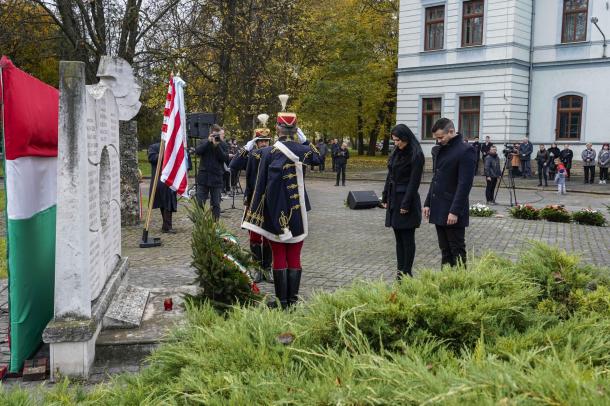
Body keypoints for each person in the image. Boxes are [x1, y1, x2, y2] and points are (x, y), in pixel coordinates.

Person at [242, 108, 321, 309]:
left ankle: (282, 301)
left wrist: (254, 213)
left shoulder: (266, 152)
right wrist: (304, 140)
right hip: (297, 213)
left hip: (274, 212)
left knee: (278, 256)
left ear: (277, 128)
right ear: (295, 129)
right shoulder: (302, 151)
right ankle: (292, 303)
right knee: (294, 255)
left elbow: (260, 186)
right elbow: (318, 159)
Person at [423, 118, 476, 269]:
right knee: (445, 250)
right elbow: (436, 178)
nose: (438, 141)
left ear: (451, 132)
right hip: (438, 206)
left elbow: (464, 184)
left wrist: (454, 211)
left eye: (441, 137)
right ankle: (445, 282)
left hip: (453, 210)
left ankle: (460, 286)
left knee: (457, 251)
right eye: (436, 138)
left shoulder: (466, 150)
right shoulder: (440, 149)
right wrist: (427, 203)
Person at [229, 124, 273, 283]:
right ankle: (258, 269)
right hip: (253, 199)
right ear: (256, 142)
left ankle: (267, 269)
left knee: (269, 235)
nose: (263, 144)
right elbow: (233, 165)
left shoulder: (274, 154)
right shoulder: (249, 155)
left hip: (269, 200)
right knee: (254, 236)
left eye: (266, 141)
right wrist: (246, 148)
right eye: (260, 141)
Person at [381, 124, 424, 279]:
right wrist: (385, 196)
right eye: (394, 140)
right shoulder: (396, 152)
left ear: (406, 137)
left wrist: (406, 204)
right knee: (398, 238)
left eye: (398, 140)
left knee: (407, 238)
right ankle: (400, 273)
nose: (396, 143)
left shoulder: (416, 154)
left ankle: (407, 272)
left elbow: (414, 182)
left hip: (407, 200)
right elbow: (390, 175)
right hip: (394, 198)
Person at [195, 124, 229, 221]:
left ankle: (215, 224)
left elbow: (224, 158)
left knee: (216, 203)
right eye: (214, 135)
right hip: (203, 177)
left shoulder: (223, 144)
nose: (216, 137)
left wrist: (216, 146)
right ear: (210, 134)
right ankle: (199, 224)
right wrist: (208, 143)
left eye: (217, 135)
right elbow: (198, 152)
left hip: (216, 178)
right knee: (200, 202)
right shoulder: (203, 142)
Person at [147, 142, 178, 233]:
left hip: (171, 179)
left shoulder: (173, 146)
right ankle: (167, 226)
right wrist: (166, 154)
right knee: (164, 203)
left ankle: (167, 226)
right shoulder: (154, 146)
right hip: (160, 179)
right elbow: (152, 158)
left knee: (169, 202)